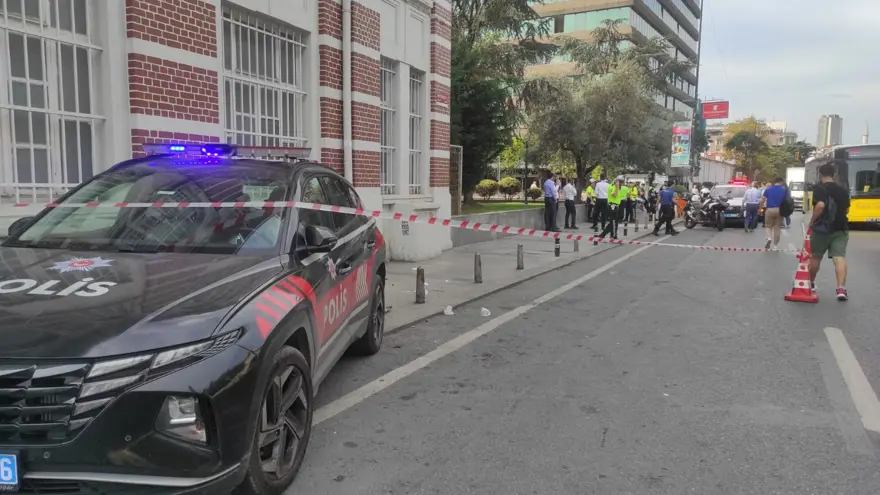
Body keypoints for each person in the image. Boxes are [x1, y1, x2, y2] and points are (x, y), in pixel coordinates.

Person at [808, 161, 851, 300]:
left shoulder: (819, 189)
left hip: (821, 228)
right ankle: (841, 289)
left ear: (820, 174)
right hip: (840, 228)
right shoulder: (843, 189)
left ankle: (811, 283)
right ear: (834, 174)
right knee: (839, 257)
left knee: (815, 257)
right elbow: (847, 209)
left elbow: (820, 206)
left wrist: (812, 221)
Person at [759, 177, 787, 249]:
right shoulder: (784, 190)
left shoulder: (768, 189)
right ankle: (775, 246)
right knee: (777, 227)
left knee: (768, 226)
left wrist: (760, 208)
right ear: (781, 182)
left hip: (770, 209)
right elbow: (788, 200)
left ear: (774, 182)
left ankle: (769, 238)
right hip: (780, 210)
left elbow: (762, 199)